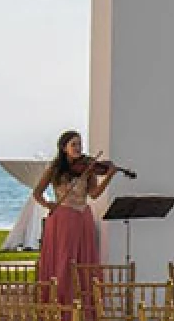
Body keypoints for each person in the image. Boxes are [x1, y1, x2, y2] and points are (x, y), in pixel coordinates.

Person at [33, 130, 116, 311]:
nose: (78, 148)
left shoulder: (88, 168)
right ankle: (61, 310)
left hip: (82, 217)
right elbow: (37, 193)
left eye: (80, 144)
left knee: (84, 263)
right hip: (62, 218)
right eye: (74, 144)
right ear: (64, 148)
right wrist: (49, 205)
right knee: (63, 262)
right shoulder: (55, 169)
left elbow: (94, 194)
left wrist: (109, 176)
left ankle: (83, 311)